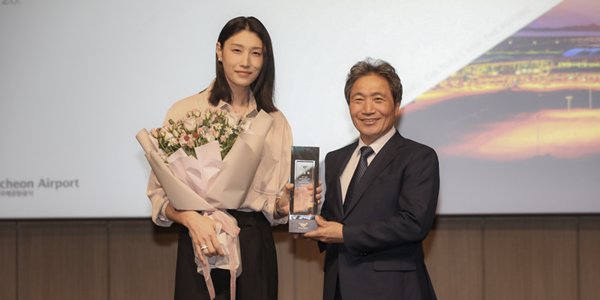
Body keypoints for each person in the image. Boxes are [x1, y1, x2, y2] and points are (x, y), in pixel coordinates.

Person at [147, 16, 319, 300]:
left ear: (265, 59)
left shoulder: (276, 121)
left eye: (256, 53)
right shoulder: (185, 112)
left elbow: (274, 208)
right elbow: (159, 198)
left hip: (254, 244)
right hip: (202, 239)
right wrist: (192, 219)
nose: (246, 62)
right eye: (237, 50)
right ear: (219, 51)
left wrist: (284, 206)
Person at [303, 59, 439, 300]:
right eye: (358, 99)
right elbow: (334, 221)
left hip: (394, 289)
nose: (367, 109)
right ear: (349, 106)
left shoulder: (418, 157)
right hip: (339, 289)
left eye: (378, 99)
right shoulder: (335, 159)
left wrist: (344, 234)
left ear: (396, 105)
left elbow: (413, 224)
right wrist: (300, 217)